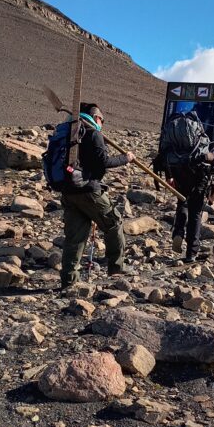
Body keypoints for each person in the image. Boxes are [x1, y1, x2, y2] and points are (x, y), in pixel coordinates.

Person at [60, 102, 135, 289]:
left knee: (74, 237)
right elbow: (103, 163)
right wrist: (126, 159)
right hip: (88, 190)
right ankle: (116, 267)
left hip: (68, 190)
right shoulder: (93, 134)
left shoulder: (68, 133)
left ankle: (69, 280)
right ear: (95, 117)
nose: (102, 122)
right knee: (113, 223)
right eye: (101, 119)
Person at [154, 109, 214, 263]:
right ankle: (191, 253)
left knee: (182, 202)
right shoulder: (199, 133)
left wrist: (169, 176)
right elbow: (210, 158)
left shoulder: (173, 132)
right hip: (198, 175)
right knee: (195, 213)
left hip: (178, 170)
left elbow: (163, 154)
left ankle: (178, 233)